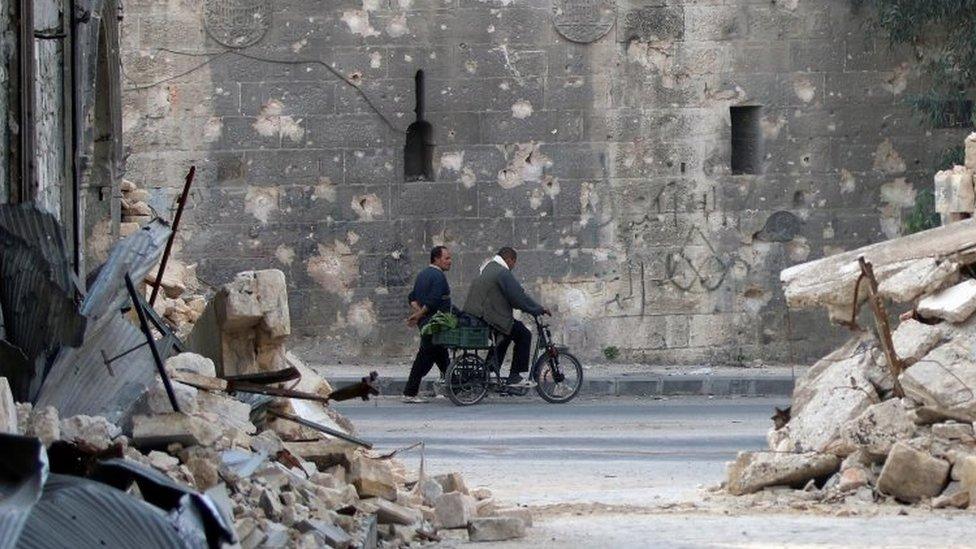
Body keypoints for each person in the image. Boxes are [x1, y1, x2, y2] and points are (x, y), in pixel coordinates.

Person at [463, 247, 549, 387]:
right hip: (486, 316)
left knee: (507, 332)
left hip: (476, 315)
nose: (513, 266)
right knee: (523, 334)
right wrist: (537, 309)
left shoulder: (489, 267)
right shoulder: (502, 272)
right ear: (510, 259)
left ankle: (489, 370)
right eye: (514, 263)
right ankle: (515, 376)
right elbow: (517, 297)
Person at [402, 245, 453, 403]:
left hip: (427, 322)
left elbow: (412, 296)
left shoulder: (423, 274)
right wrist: (419, 314)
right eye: (447, 258)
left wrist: (418, 313)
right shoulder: (438, 276)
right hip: (434, 323)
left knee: (442, 356)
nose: (450, 261)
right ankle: (410, 393)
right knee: (424, 357)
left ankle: (457, 387)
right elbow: (433, 300)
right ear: (436, 259)